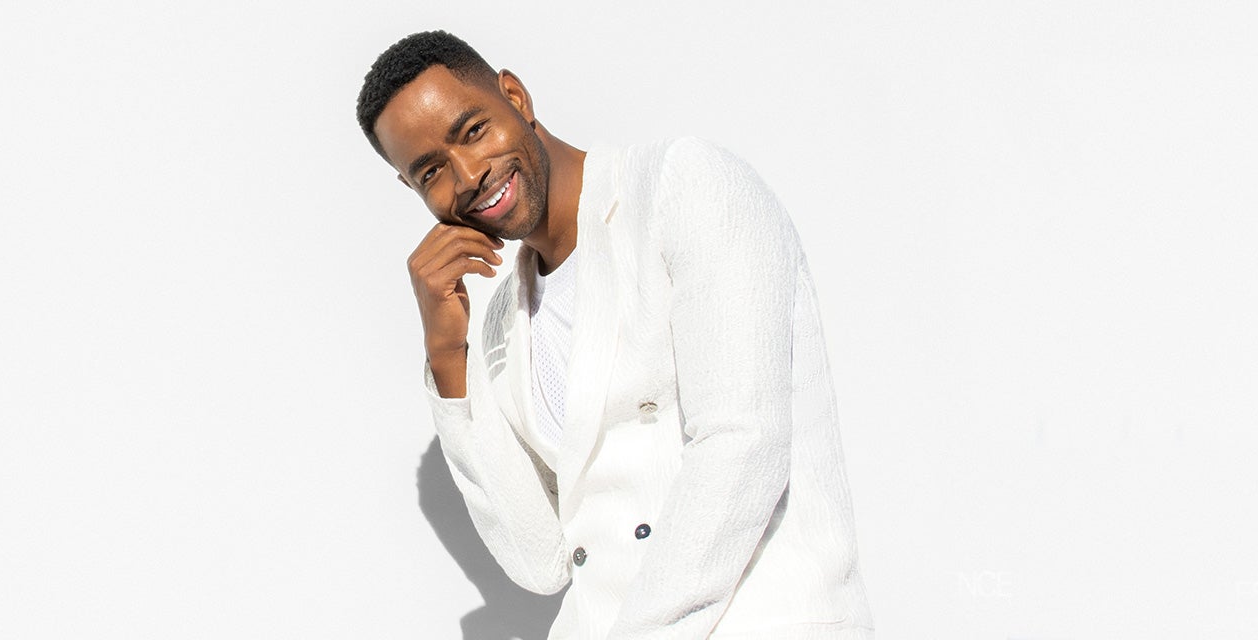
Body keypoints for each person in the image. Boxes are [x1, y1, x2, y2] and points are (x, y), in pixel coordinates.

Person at [357, 30, 875, 639]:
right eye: (431, 172)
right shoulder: (504, 323)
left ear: (516, 97)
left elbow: (742, 443)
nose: (468, 175)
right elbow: (539, 560)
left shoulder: (681, 186)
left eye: (473, 130)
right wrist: (447, 356)